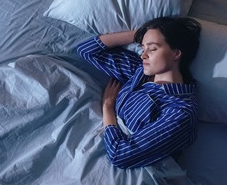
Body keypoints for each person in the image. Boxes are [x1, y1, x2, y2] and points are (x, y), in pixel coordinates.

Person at [77, 16, 201, 169]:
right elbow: (87, 50)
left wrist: (108, 108)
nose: (143, 55)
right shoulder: (140, 72)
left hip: (133, 172)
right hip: (92, 145)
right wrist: (142, 34)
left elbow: (120, 156)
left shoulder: (180, 110)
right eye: (143, 48)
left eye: (153, 49)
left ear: (176, 53)